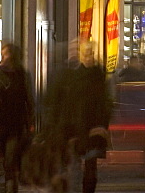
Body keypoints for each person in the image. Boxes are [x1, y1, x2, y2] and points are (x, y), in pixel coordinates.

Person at [46, 41, 111, 193]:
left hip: (93, 127)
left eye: (92, 53)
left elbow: (104, 103)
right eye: (87, 53)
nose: (90, 56)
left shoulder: (98, 75)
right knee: (74, 168)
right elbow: (61, 104)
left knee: (90, 169)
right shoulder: (72, 76)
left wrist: (102, 125)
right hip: (75, 128)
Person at [0, 44, 33, 193]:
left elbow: (29, 99)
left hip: (15, 123)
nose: (4, 58)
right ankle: (8, 180)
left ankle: (10, 184)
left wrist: (30, 122)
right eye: (3, 55)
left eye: (7, 54)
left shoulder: (21, 75)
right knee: (3, 157)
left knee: (10, 157)